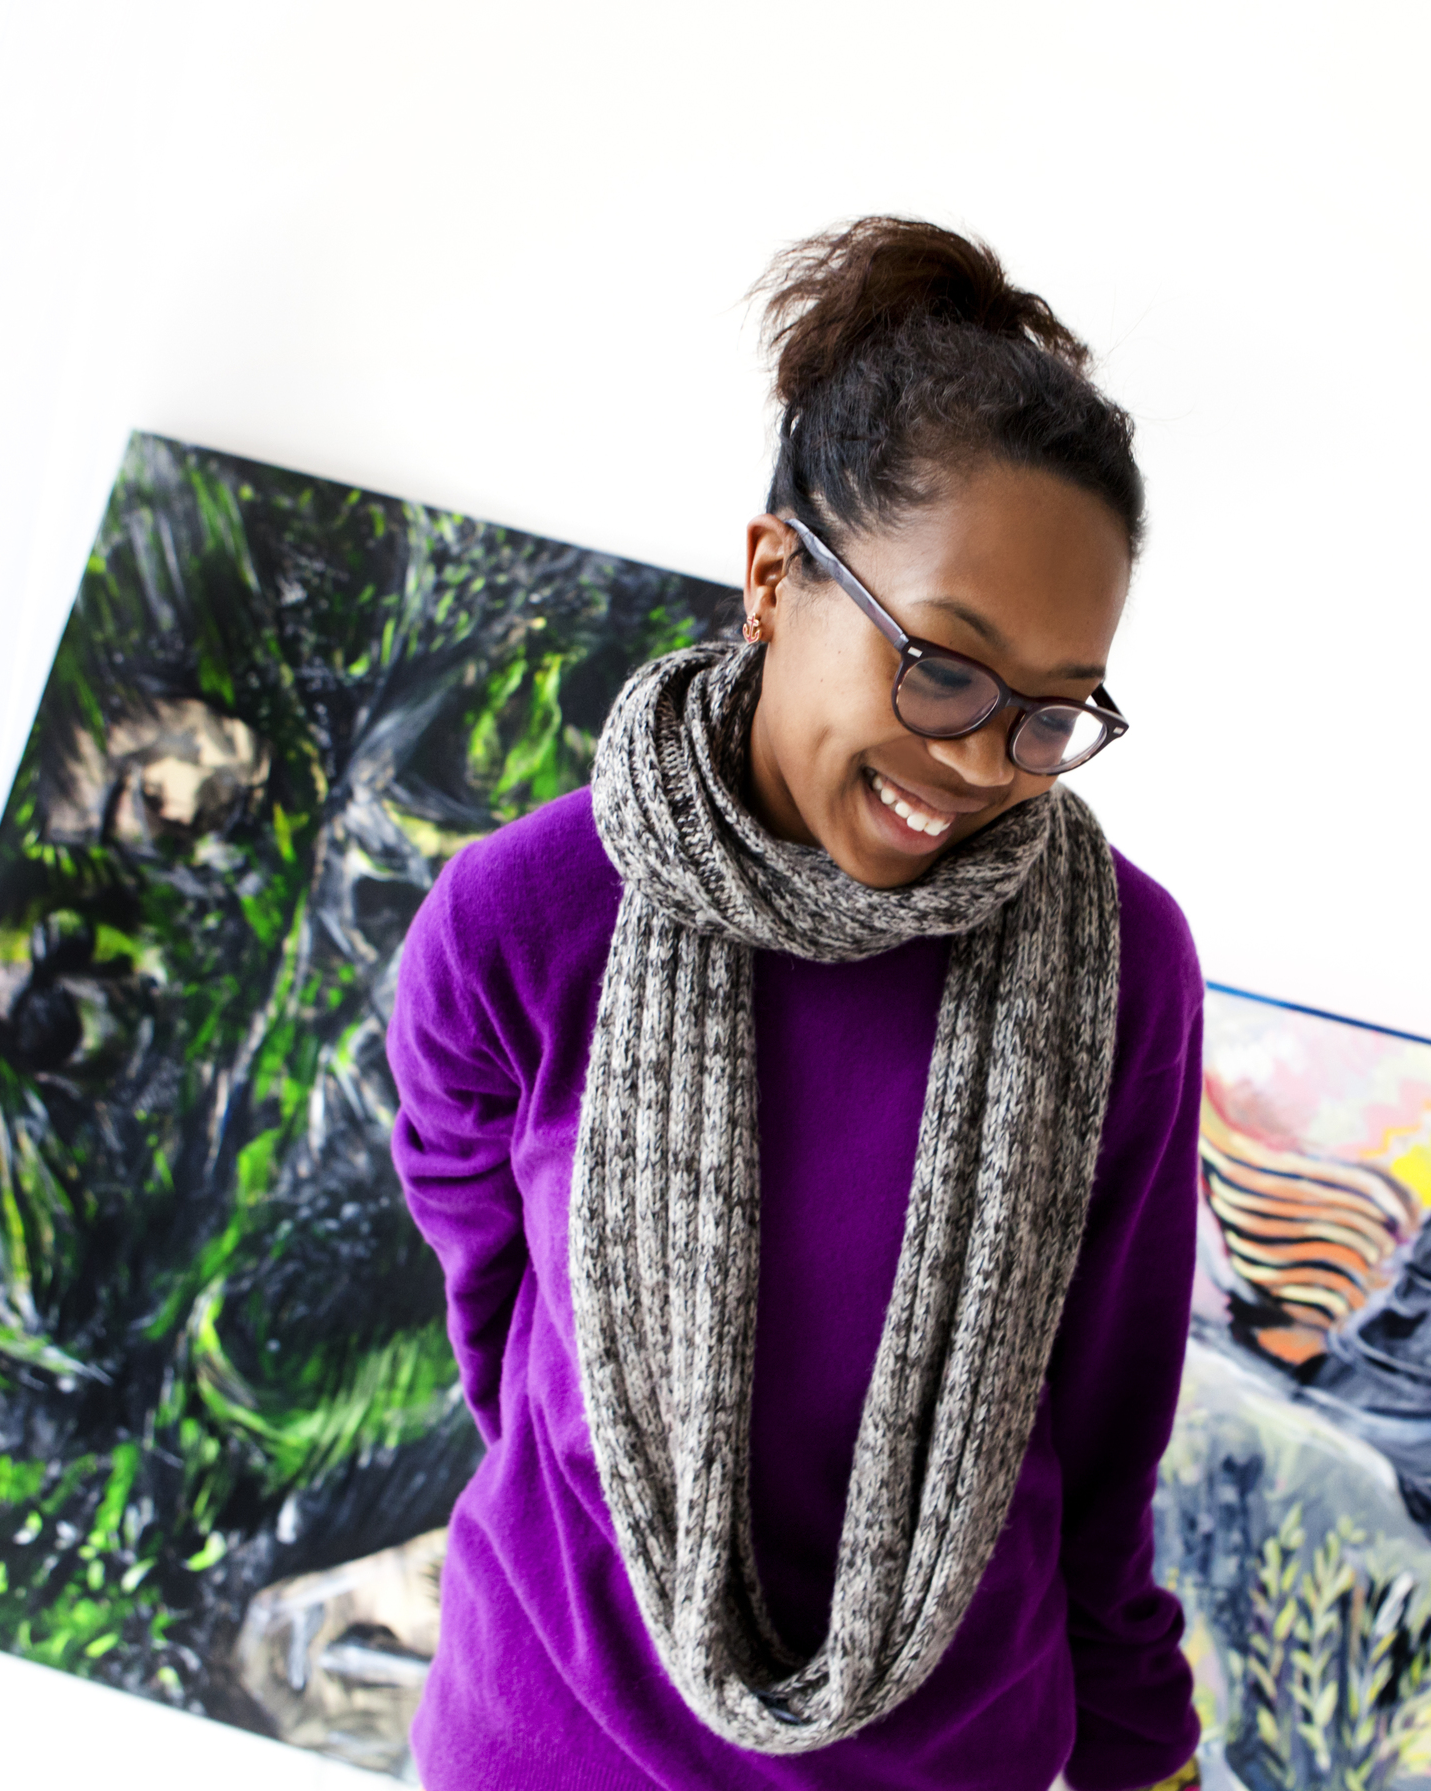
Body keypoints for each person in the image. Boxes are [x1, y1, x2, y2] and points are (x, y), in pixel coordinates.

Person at [386, 217, 1205, 1791]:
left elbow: (1106, 1445)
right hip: (553, 1746)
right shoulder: (521, 925)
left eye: (1049, 717)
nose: (980, 763)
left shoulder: (1124, 971)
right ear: (774, 577)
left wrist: (1142, 1759)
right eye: (944, 667)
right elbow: (501, 1342)